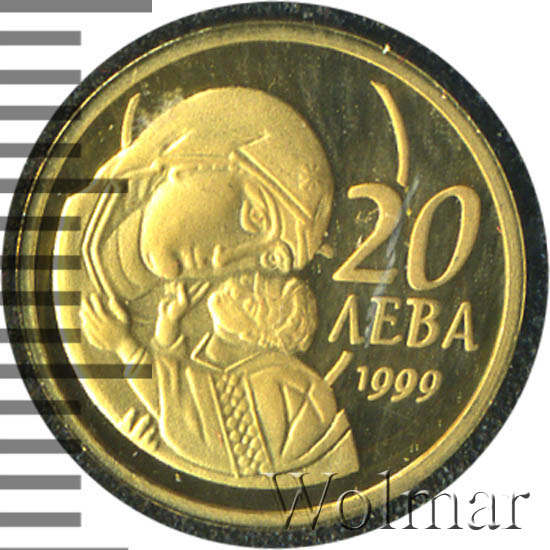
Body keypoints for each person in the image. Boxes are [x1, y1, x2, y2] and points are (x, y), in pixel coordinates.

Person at [80, 273, 359, 479]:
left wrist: (123, 344)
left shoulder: (285, 389)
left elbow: (185, 417)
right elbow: (181, 391)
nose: (234, 286)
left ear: (258, 332)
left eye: (250, 300)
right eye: (248, 281)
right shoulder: (232, 368)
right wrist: (167, 328)